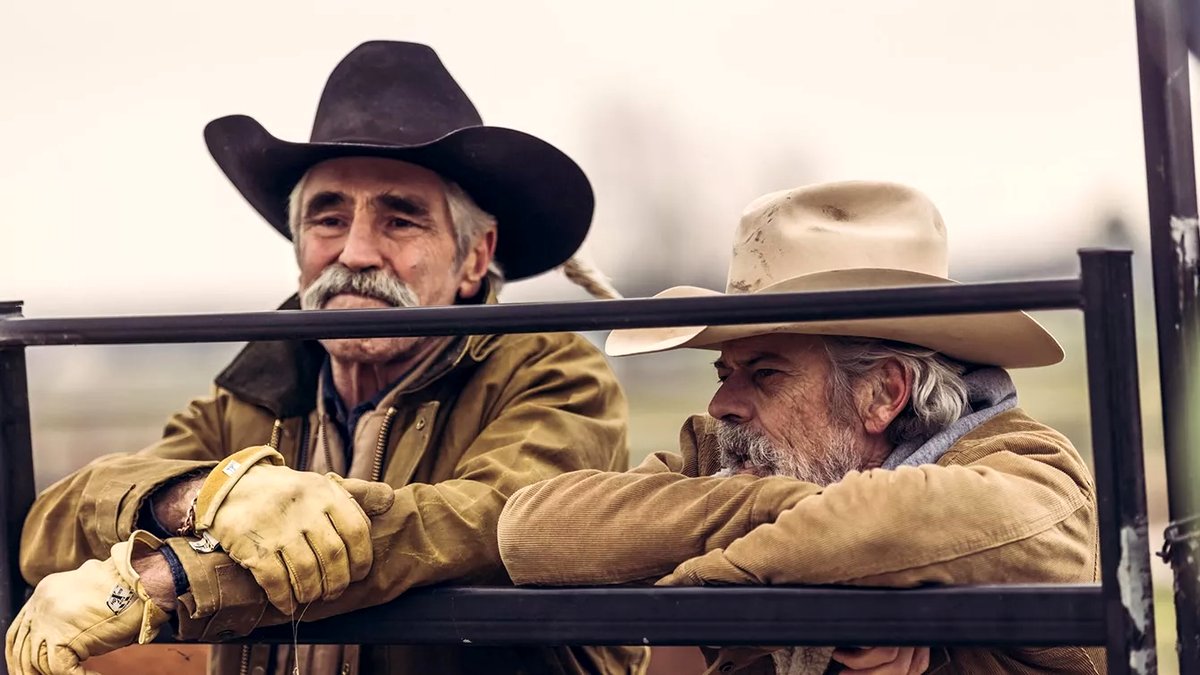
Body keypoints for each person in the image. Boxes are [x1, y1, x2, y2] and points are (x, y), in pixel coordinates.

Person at [6, 41, 646, 675]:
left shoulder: (554, 374)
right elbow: (54, 520)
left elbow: (486, 524)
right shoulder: (257, 391)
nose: (357, 252)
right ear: (300, 243)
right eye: (329, 218)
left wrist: (159, 579)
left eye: (400, 220)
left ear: (474, 258)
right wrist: (204, 493)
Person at [498, 181, 1102, 674]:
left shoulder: (1030, 468)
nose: (721, 406)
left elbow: (906, 520)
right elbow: (532, 531)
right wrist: (775, 509)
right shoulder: (742, 460)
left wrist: (697, 589)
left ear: (883, 393)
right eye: (724, 371)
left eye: (764, 374)